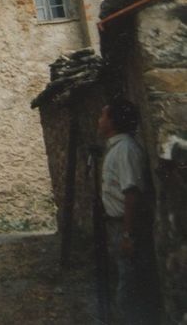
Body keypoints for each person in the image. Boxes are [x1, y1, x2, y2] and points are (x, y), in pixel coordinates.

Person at [98, 98, 155, 324]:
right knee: (125, 280)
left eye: (103, 115)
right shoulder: (116, 148)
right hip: (118, 225)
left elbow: (131, 193)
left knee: (129, 287)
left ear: (113, 121)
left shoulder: (125, 150)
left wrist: (127, 234)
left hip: (126, 225)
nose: (99, 120)